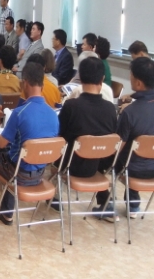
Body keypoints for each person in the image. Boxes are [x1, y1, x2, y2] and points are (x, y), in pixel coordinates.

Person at [0, 62, 59, 225]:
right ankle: (6, 213)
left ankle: (7, 211)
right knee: (16, 152)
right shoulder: (53, 115)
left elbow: (1, 143)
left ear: (24, 83)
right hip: (40, 173)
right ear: (43, 84)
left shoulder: (19, 113)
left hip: (20, 174)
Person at [96, 57, 154, 219]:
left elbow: (118, 146)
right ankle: (133, 205)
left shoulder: (129, 112)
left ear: (138, 83)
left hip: (132, 169)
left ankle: (106, 204)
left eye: (131, 75)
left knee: (100, 158)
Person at [58, 57, 117, 182]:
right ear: (102, 79)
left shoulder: (71, 106)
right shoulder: (111, 108)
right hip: (98, 165)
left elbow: (59, 135)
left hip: (70, 165)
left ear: (81, 78)